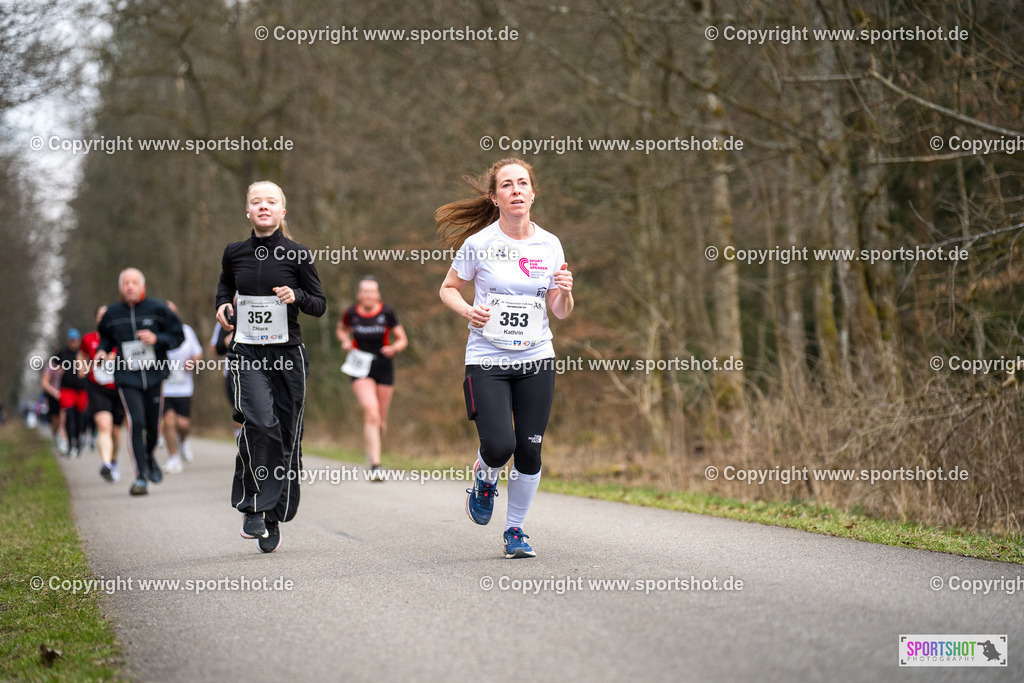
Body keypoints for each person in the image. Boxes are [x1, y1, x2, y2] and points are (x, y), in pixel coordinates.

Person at [436, 158, 574, 559]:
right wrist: (467, 311)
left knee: (529, 448)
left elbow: (561, 310)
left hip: (537, 356)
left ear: (533, 193)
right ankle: (484, 475)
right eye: (507, 185)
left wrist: (564, 291)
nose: (516, 190)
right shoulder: (479, 244)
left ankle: (515, 530)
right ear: (495, 197)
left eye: (522, 183)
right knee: (499, 445)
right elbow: (448, 288)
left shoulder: (549, 244)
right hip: (487, 357)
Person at [216, 180, 326, 553]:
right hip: (247, 352)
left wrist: (296, 295)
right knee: (258, 422)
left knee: (286, 433)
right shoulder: (234, 253)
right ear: (248, 211)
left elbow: (319, 304)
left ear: (282, 211)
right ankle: (251, 506)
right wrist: (221, 306)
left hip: (287, 356)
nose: (263, 207)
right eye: (256, 202)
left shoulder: (297, 255)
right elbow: (223, 287)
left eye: (271, 202)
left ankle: (273, 514)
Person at [97, 268, 185, 496]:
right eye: (126, 282)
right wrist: (100, 351)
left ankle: (148, 456)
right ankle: (140, 477)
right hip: (127, 378)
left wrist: (157, 339)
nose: (130, 286)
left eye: (134, 282)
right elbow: (105, 339)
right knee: (136, 422)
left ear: (142, 286)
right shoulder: (112, 313)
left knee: (154, 428)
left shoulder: (158, 309)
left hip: (155, 375)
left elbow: (178, 336)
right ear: (120, 288)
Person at [336, 277, 408, 482]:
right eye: (365, 292)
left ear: (378, 294)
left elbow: (402, 339)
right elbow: (341, 329)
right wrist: (345, 341)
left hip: (383, 366)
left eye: (372, 292)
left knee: (380, 420)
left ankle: (374, 451)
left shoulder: (387, 313)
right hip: (359, 367)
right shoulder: (351, 313)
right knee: (371, 411)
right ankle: (375, 465)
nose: (368, 295)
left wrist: (394, 348)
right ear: (359, 294)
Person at [80, 305, 125, 482]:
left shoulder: (121, 337)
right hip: (97, 387)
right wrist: (82, 368)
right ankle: (105, 463)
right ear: (96, 319)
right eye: (100, 315)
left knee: (115, 430)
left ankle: (113, 461)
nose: (103, 318)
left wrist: (116, 358)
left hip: (120, 387)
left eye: (106, 315)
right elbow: (82, 355)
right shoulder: (89, 338)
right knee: (103, 425)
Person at [161, 301, 204, 473]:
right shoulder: (157, 333)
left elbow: (198, 354)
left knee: (183, 424)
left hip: (184, 386)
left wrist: (192, 362)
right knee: (169, 422)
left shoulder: (186, 331)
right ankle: (173, 458)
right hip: (164, 387)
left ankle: (184, 441)